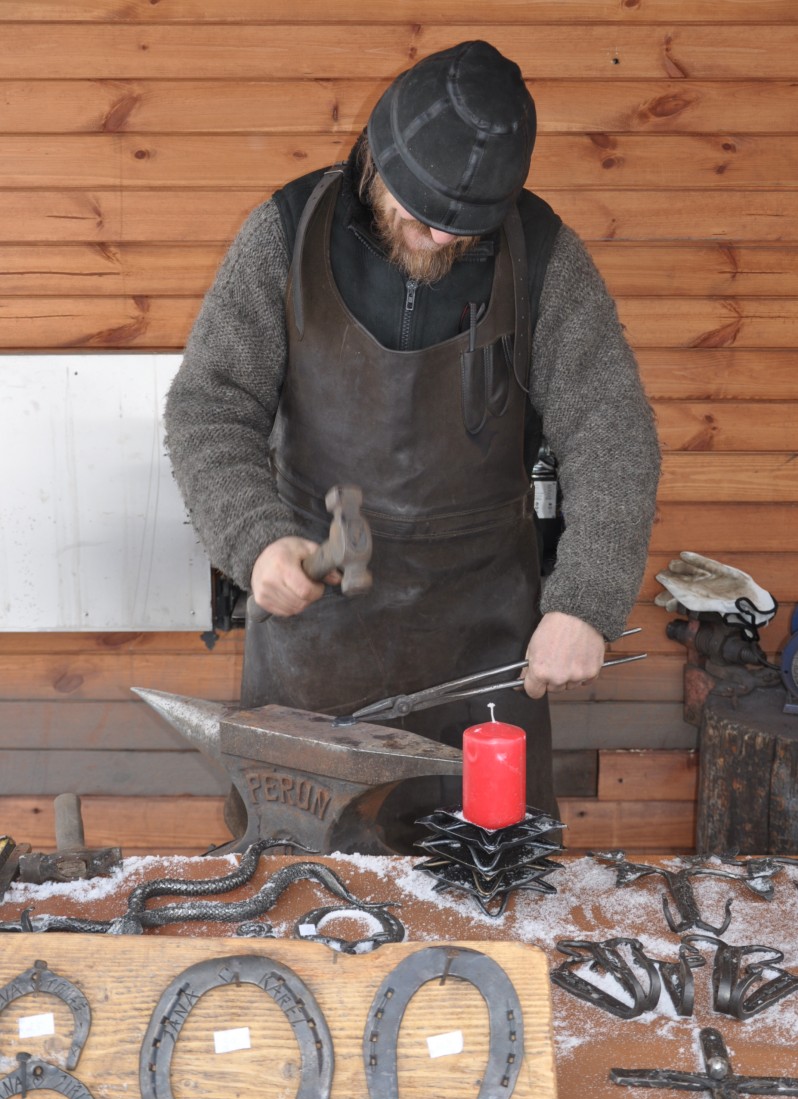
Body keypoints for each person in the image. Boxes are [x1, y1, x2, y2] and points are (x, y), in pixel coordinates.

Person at [164, 40, 661, 851]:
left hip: (482, 651)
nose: (433, 238)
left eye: (462, 226)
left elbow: (612, 430)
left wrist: (586, 601)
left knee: (490, 891)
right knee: (300, 890)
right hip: (314, 650)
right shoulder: (285, 235)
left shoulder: (543, 256)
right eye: (420, 210)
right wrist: (254, 538)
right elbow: (209, 405)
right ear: (378, 153)